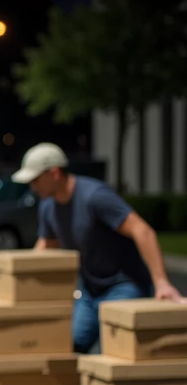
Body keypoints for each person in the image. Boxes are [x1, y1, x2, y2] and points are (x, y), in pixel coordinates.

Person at [17, 141, 185, 352]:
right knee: (71, 347)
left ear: (54, 173)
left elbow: (142, 231)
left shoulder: (94, 197)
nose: (32, 186)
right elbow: (46, 244)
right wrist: (21, 286)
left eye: (35, 180)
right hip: (90, 288)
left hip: (124, 284)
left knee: (118, 353)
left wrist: (161, 282)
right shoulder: (48, 206)